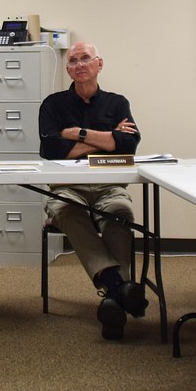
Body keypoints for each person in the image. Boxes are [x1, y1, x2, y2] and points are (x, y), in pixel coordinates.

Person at [39, 42, 147, 340]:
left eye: (85, 58)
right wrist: (107, 139)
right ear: (68, 70)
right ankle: (120, 288)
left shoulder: (117, 103)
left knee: (119, 215)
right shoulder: (53, 104)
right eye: (73, 61)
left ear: (99, 64)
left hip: (109, 185)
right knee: (68, 212)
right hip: (66, 187)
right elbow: (50, 149)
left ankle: (113, 295)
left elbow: (128, 146)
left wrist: (76, 134)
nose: (79, 65)